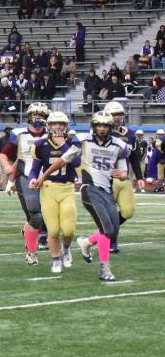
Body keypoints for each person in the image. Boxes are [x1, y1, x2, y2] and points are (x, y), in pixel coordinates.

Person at [36, 113, 142, 282]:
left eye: (105, 125)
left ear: (110, 127)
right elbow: (64, 159)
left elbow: (122, 172)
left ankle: (86, 242)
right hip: (90, 189)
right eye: (99, 125)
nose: (102, 128)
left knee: (112, 231)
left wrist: (124, 175)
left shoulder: (119, 145)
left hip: (107, 190)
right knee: (107, 229)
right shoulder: (82, 140)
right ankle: (105, 269)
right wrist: (43, 176)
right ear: (93, 126)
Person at [28, 112, 80, 273]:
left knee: (69, 229)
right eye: (55, 124)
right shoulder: (40, 144)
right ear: (49, 126)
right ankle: (56, 259)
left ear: (66, 127)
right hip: (49, 189)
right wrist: (32, 179)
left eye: (61, 124)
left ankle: (66, 248)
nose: (58, 127)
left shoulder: (73, 142)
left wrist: (63, 144)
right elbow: (34, 169)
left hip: (67, 188)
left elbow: (76, 162)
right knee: (53, 230)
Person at [2, 102, 49, 265]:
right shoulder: (19, 133)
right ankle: (31, 252)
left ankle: (29, 232)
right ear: (29, 116)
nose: (37, 118)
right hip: (25, 178)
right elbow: (4, 154)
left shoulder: (50, 135)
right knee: (36, 215)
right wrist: (9, 174)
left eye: (41, 115)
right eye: (34, 115)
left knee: (46, 217)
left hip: (47, 179)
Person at [103, 100, 144, 252]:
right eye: (114, 114)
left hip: (124, 178)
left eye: (119, 114)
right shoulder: (101, 133)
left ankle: (103, 231)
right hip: (107, 179)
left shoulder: (130, 134)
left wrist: (139, 177)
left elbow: (134, 157)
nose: (117, 117)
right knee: (111, 212)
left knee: (128, 211)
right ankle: (111, 242)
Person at [0, 126, 14, 190]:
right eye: (8, 130)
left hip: (11, 159)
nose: (9, 131)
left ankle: (7, 187)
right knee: (5, 173)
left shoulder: (3, 138)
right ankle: (5, 187)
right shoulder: (2, 139)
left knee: (6, 173)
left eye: (10, 130)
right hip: (7, 158)